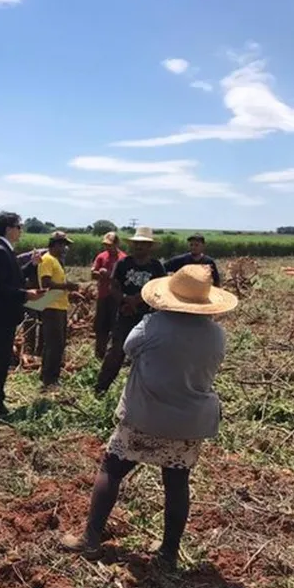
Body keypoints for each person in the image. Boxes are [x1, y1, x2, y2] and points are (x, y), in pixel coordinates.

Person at [62, 265, 239, 569]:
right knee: (176, 479)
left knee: (112, 468)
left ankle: (90, 539)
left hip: (145, 414)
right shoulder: (216, 335)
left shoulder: (152, 326)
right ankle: (168, 553)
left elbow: (129, 350)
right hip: (189, 421)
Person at [0, 211, 45, 418]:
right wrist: (26, 294)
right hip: (2, 314)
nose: (21, 230)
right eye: (19, 227)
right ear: (9, 228)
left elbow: (12, 279)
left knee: (1, 358)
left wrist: (31, 265)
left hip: (4, 313)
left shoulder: (5, 250)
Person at [95, 226, 166, 396]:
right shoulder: (123, 263)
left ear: (150, 246)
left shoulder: (156, 266)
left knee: (149, 355)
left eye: (143, 244)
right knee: (116, 351)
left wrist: (139, 299)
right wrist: (125, 300)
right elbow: (114, 285)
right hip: (125, 314)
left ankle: (145, 392)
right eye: (137, 244)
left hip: (149, 317)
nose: (139, 247)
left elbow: (161, 288)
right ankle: (101, 389)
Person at [37, 231, 79, 390]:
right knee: (55, 344)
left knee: (54, 344)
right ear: (55, 245)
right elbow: (46, 283)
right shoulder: (47, 259)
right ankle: (50, 380)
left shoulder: (56, 260)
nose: (65, 248)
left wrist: (69, 287)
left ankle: (47, 376)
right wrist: (67, 286)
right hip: (51, 305)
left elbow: (56, 282)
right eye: (63, 245)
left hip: (59, 305)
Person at [91, 231, 125, 359]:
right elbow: (93, 274)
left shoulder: (123, 259)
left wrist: (109, 275)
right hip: (103, 296)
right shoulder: (101, 257)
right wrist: (100, 273)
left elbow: (123, 280)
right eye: (105, 245)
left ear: (116, 244)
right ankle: (99, 355)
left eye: (109, 245)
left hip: (117, 297)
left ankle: (114, 356)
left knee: (116, 327)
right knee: (101, 327)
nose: (107, 247)